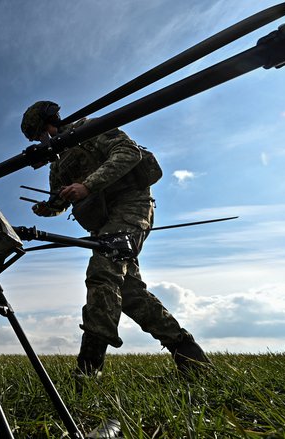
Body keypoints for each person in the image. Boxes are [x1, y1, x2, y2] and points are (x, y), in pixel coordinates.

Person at [21, 100, 211, 378]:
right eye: (37, 138)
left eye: (42, 133)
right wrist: (46, 206)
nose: (42, 140)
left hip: (131, 206)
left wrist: (87, 186)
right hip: (103, 223)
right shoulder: (57, 164)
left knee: (103, 273)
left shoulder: (87, 130)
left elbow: (128, 153)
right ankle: (193, 362)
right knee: (132, 296)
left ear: (52, 122)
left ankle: (88, 371)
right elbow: (59, 201)